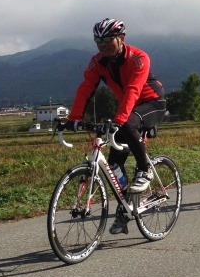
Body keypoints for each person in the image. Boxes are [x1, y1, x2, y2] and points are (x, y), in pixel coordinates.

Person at [64, 18, 167, 235]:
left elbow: (133, 89)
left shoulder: (139, 58)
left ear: (121, 39)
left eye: (107, 40)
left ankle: (145, 169)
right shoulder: (97, 62)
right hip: (127, 108)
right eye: (98, 41)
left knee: (128, 123)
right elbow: (85, 88)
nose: (102, 45)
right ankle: (125, 208)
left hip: (151, 102)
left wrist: (119, 119)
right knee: (113, 164)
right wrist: (73, 118)